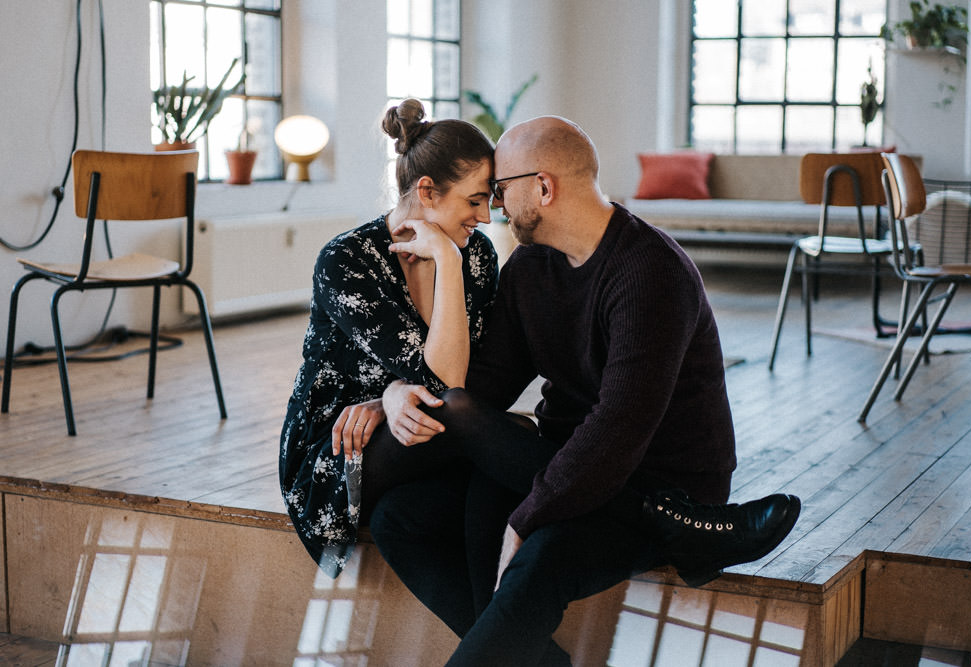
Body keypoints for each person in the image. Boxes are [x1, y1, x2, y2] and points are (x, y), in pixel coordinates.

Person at [374, 116, 802, 666]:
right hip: (570, 463)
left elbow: (618, 430)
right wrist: (390, 394)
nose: (495, 208)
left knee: (540, 552)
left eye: (502, 190)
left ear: (544, 187)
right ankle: (658, 527)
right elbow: (481, 388)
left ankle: (677, 517)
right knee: (399, 517)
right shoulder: (532, 267)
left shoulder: (650, 271)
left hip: (658, 473)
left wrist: (528, 516)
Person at [278, 98, 499, 578]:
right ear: (428, 190)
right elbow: (449, 382)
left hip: (414, 427)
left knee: (478, 475)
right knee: (500, 439)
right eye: (475, 199)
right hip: (339, 442)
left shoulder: (477, 255)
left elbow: (462, 382)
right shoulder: (346, 260)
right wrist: (448, 261)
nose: (485, 217)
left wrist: (389, 397)